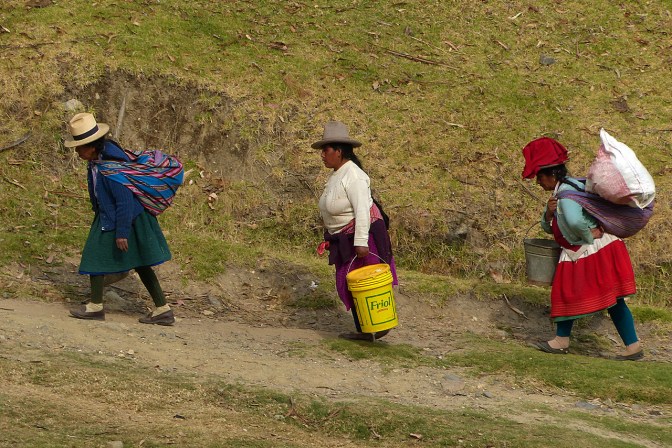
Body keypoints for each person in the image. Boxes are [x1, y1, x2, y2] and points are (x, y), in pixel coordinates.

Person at [522, 137, 643, 360]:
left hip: (589, 250)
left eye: (539, 176)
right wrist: (548, 214)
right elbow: (551, 228)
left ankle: (561, 341)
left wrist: (588, 235)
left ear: (551, 174)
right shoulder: (573, 187)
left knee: (565, 292)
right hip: (605, 247)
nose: (538, 182)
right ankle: (633, 347)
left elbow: (575, 223)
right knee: (613, 298)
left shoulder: (566, 196)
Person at [64, 112, 175, 325]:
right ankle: (163, 309)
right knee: (141, 262)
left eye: (80, 147)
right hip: (111, 215)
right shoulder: (97, 163)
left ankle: (95, 307)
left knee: (94, 256)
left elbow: (124, 201)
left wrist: (122, 232)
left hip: (129, 218)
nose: (77, 151)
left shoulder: (112, 168)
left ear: (93, 146)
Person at [313, 121, 398, 341]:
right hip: (344, 238)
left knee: (365, 281)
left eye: (326, 150)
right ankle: (365, 329)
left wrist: (361, 242)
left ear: (339, 151)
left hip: (362, 237)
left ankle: (376, 326)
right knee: (353, 283)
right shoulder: (337, 175)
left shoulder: (354, 175)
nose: (322, 155)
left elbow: (362, 210)